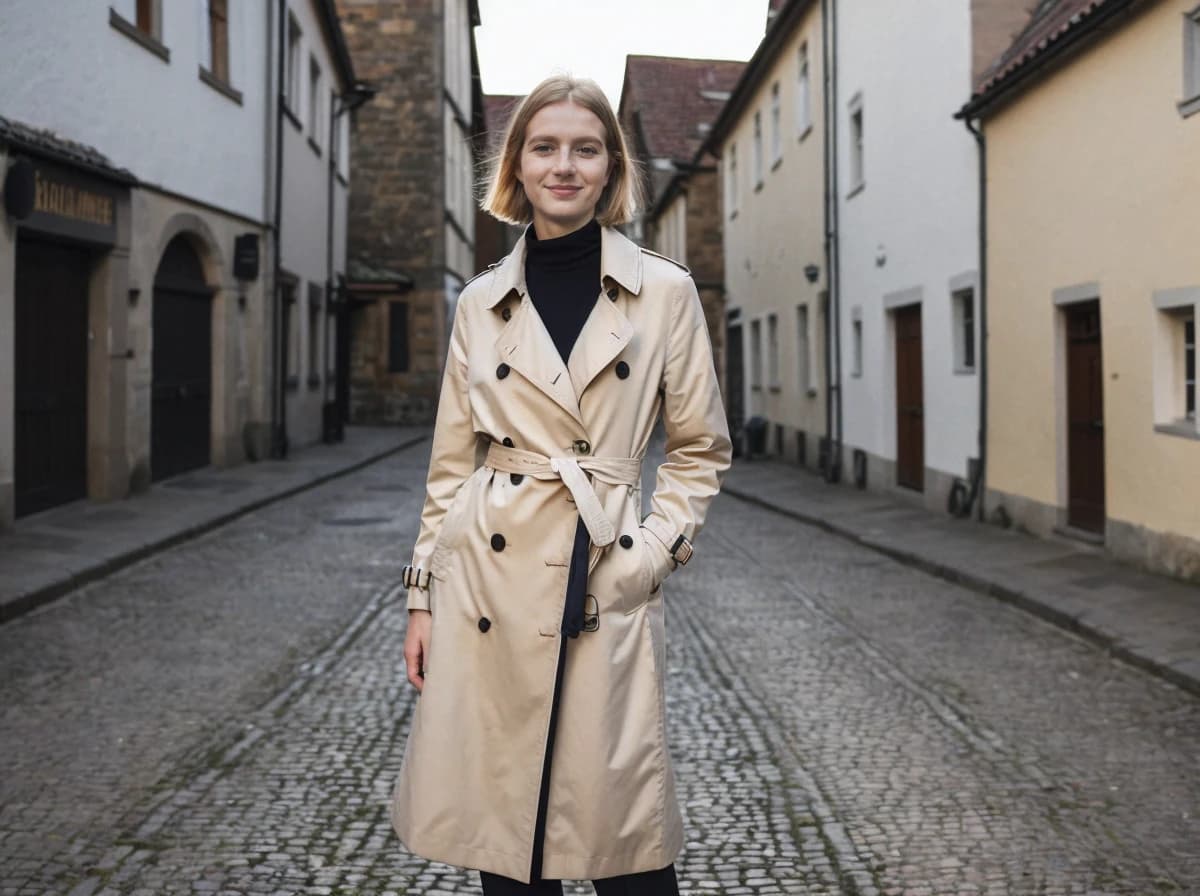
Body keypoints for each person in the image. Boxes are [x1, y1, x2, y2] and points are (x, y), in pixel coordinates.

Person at [391, 73, 732, 895]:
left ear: (612, 169)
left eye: (586, 149)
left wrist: (649, 555)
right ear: (518, 166)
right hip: (490, 582)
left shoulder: (666, 292)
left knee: (626, 843)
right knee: (509, 836)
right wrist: (421, 596)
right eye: (545, 148)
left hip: (602, 570)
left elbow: (699, 448)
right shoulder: (481, 303)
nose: (564, 166)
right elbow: (450, 464)